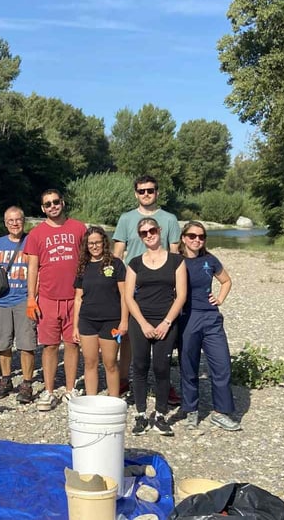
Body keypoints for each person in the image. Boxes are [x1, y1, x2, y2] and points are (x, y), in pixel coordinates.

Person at [113, 175, 183, 404]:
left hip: (161, 285)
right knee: (129, 336)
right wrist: (115, 282)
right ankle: (124, 379)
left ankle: (165, 384)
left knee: (164, 338)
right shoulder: (126, 219)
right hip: (132, 284)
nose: (146, 194)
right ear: (136, 194)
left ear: (157, 192)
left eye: (150, 190)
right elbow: (118, 253)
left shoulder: (169, 219)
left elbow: (175, 253)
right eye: (141, 191)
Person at [25, 189, 88, 411]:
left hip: (75, 297)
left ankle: (70, 389)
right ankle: (49, 391)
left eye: (55, 202)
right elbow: (33, 267)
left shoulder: (78, 228)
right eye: (48, 204)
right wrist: (31, 297)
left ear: (62, 202)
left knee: (72, 343)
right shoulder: (36, 234)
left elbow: (87, 260)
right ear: (43, 209)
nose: (53, 206)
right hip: (48, 298)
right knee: (50, 345)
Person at [124, 217, 187, 436]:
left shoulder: (176, 261)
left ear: (159, 231)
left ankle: (160, 415)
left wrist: (166, 322)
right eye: (144, 233)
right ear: (140, 237)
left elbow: (181, 295)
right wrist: (143, 323)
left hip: (166, 321)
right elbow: (128, 297)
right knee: (140, 366)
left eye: (152, 230)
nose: (149, 235)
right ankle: (141, 414)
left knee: (162, 367)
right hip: (140, 321)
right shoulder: (135, 263)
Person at [178, 221, 241, 431]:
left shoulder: (210, 260)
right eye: (192, 236)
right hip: (187, 317)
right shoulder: (176, 261)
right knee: (188, 365)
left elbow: (226, 281)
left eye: (201, 236)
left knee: (222, 364)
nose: (197, 240)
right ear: (184, 238)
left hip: (211, 318)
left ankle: (221, 412)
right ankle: (191, 410)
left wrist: (220, 298)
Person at [0, 207, 35, 402]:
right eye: (10, 220)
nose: (14, 223)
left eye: (18, 219)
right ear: (5, 223)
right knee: (3, 343)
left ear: (24, 221)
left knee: (26, 344)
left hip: (24, 299)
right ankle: (6, 380)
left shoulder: (32, 241)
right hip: (1, 300)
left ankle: (27, 383)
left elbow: (39, 270)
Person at [72, 226, 127, 396]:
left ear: (104, 242)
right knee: (90, 362)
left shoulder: (116, 264)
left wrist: (124, 321)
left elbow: (124, 295)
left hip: (111, 320)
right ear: (86, 245)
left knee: (110, 363)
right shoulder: (83, 266)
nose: (94, 246)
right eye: (91, 243)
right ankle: (91, 400)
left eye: (97, 242)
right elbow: (78, 298)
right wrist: (75, 327)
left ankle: (114, 400)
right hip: (87, 321)